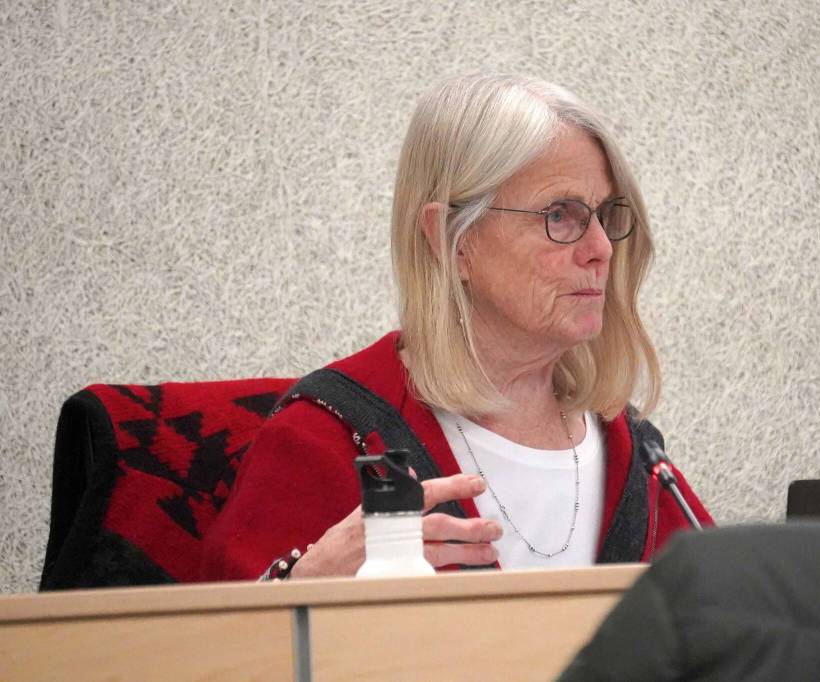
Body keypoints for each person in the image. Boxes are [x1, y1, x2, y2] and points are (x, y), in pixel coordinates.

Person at [200, 74, 712, 581]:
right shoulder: (327, 435)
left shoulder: (633, 449)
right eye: (561, 215)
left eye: (605, 215)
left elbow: (729, 629)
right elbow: (213, 651)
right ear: (451, 240)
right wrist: (303, 585)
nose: (601, 248)